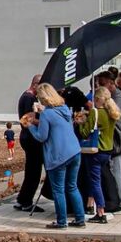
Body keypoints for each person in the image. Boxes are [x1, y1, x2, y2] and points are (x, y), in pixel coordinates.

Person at [30, 84, 86, 229]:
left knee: (58, 190)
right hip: (74, 151)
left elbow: (42, 136)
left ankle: (62, 222)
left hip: (58, 155)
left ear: (43, 98)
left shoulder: (47, 114)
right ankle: (80, 219)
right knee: (72, 187)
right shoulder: (64, 109)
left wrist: (30, 125)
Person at [77, 86, 121, 224]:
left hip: (96, 150)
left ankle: (100, 211)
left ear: (96, 99)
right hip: (107, 149)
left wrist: (80, 123)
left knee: (95, 181)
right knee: (96, 179)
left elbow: (85, 133)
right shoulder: (112, 112)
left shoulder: (95, 112)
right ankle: (91, 204)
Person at [98, 70, 121, 215]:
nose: (98, 86)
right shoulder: (117, 96)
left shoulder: (117, 98)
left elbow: (112, 115)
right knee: (116, 169)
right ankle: (120, 201)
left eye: (101, 84)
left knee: (116, 169)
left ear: (111, 84)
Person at [14, 74, 45, 213]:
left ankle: (22, 199)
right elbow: (27, 119)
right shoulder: (29, 98)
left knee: (31, 170)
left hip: (28, 138)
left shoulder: (28, 97)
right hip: (31, 139)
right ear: (35, 85)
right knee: (34, 172)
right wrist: (45, 121)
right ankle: (26, 202)